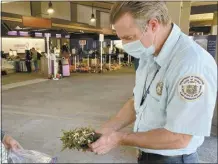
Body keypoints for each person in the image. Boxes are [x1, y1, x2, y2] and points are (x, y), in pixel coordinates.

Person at [89, 2, 217, 163]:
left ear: (153, 25)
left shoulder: (191, 64)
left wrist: (120, 138)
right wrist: (107, 129)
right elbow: (137, 102)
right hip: (147, 155)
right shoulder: (148, 54)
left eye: (129, 37)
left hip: (174, 159)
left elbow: (180, 137)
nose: (126, 45)